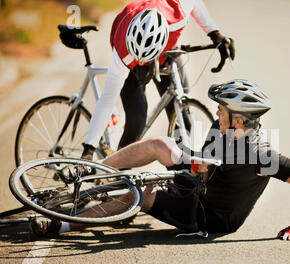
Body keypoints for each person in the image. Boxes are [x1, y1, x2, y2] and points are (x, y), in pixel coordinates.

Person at [30, 80, 290, 241]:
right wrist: (185, 162)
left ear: (240, 119)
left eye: (221, 111)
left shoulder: (261, 155)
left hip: (205, 215)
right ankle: (93, 169)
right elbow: (207, 162)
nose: (216, 114)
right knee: (160, 144)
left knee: (140, 195)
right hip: (198, 183)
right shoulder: (223, 128)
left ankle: (60, 226)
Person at [80, 0, 235, 160]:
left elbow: (194, 2)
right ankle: (118, 170)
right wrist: (88, 149)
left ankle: (181, 174)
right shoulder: (123, 52)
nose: (143, 62)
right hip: (132, 57)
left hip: (167, 53)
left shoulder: (177, 14)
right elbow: (107, 100)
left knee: (183, 118)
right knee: (137, 119)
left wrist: (215, 34)